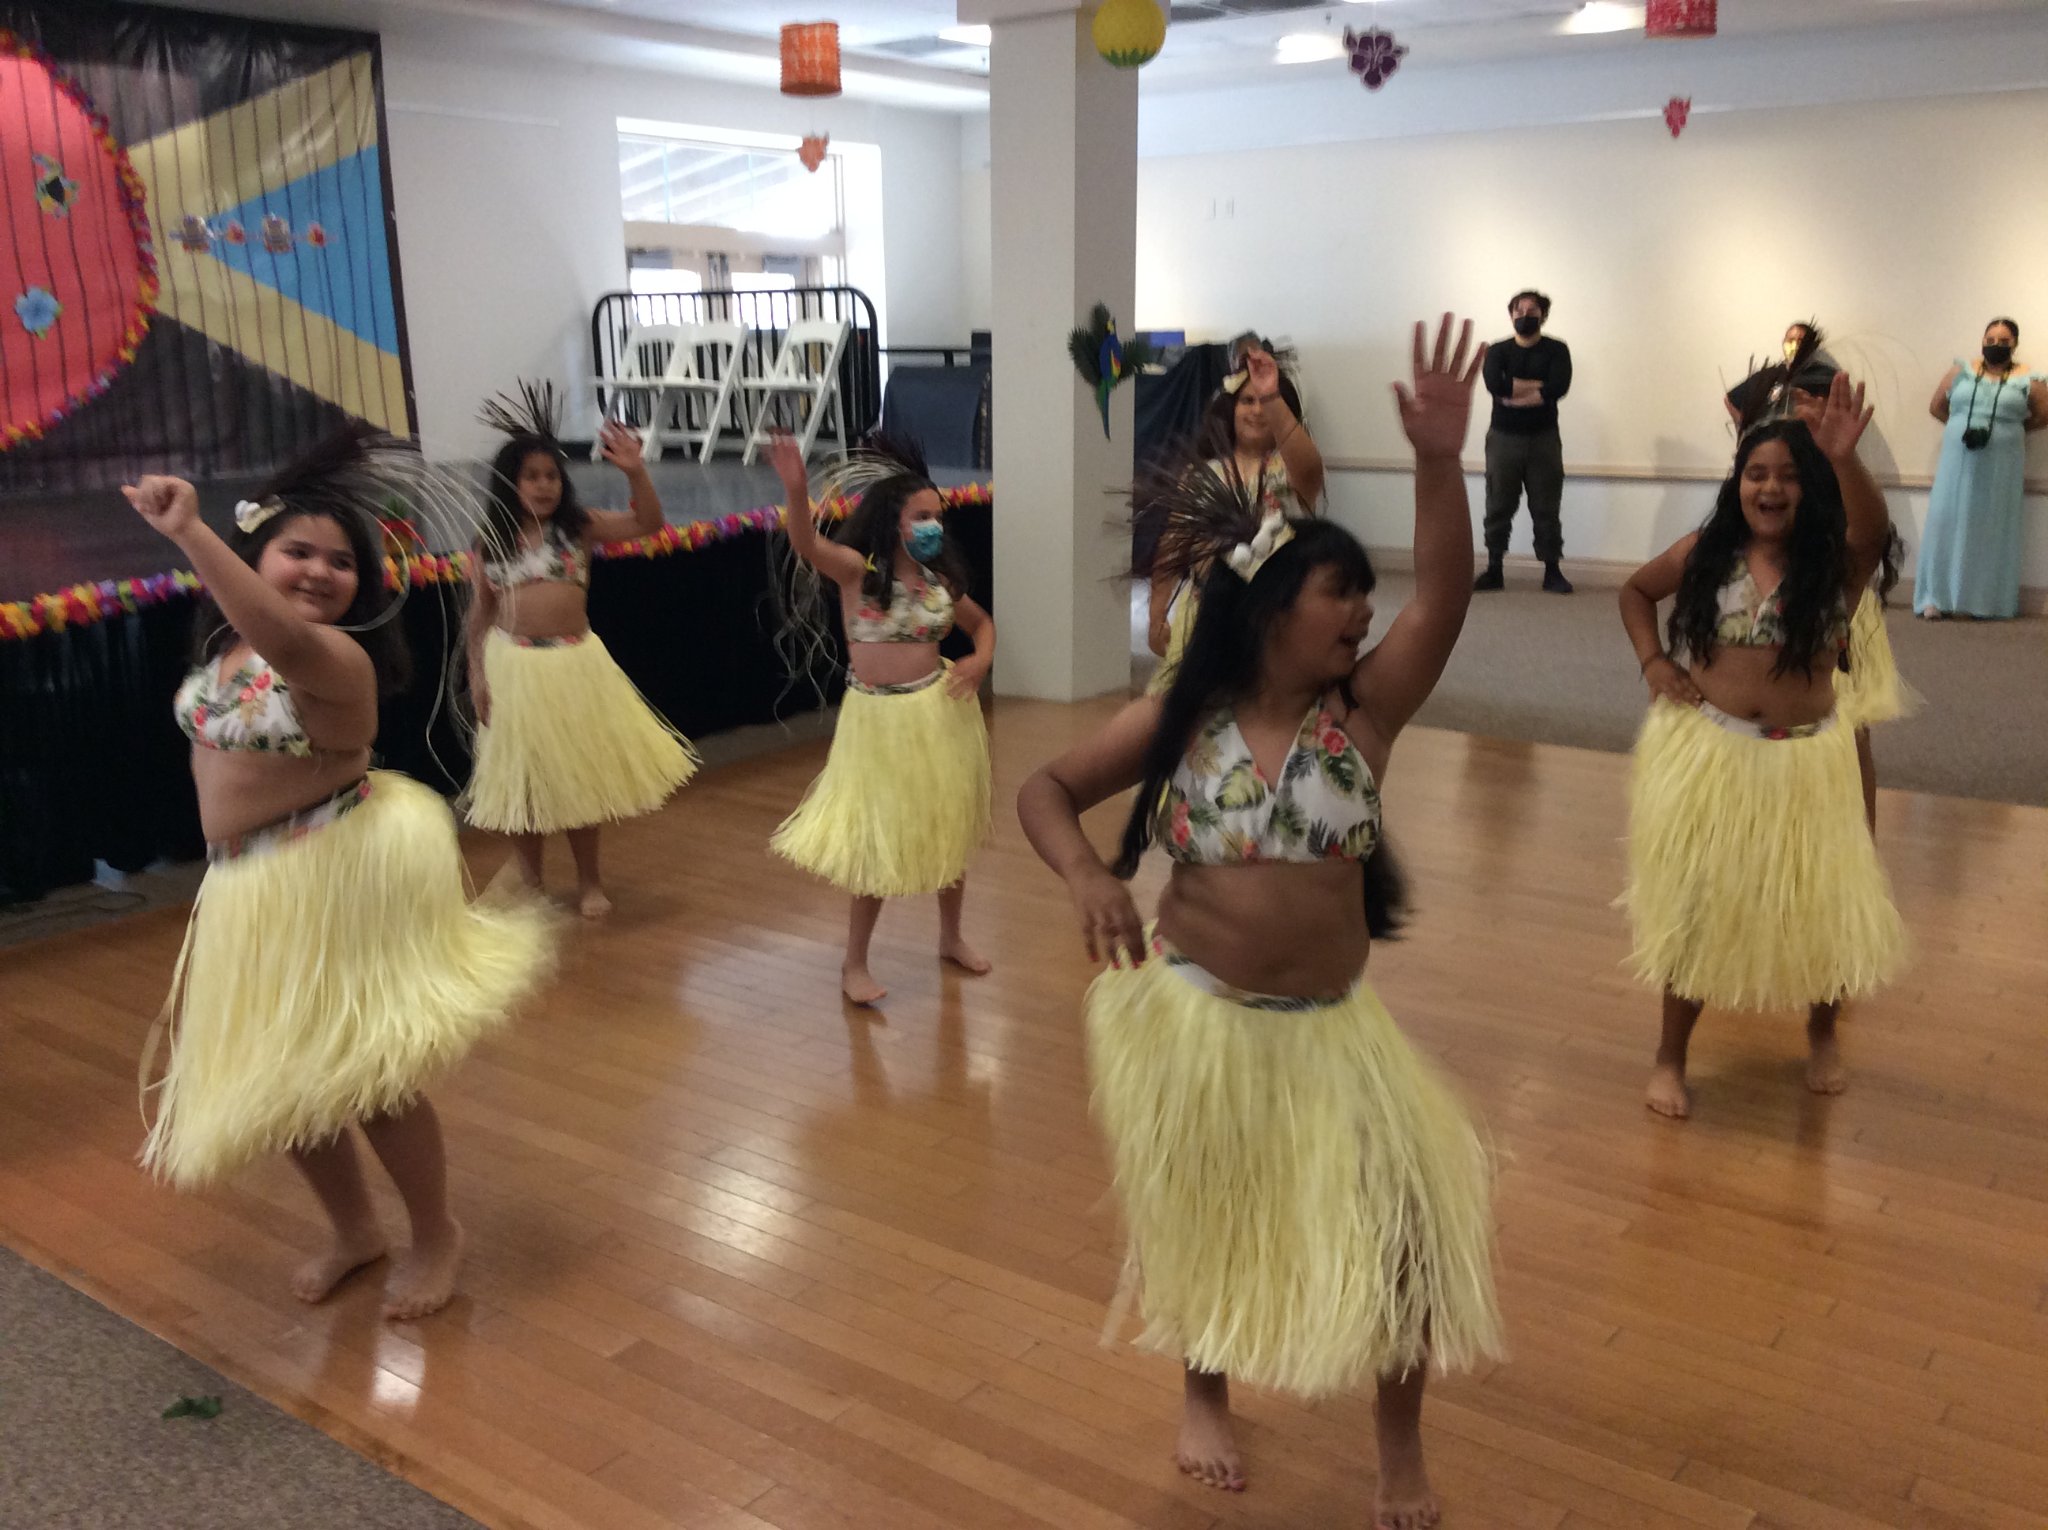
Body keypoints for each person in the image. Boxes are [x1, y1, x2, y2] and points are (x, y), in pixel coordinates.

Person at [1018, 316, 1500, 1528]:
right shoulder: (1180, 720)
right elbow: (1042, 790)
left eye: (1361, 599)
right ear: (1272, 607)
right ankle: (1203, 1394)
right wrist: (1085, 877)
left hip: (1333, 1027)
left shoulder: (1365, 719)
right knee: (1205, 1214)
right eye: (1341, 596)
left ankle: (1398, 1452)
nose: (1361, 617)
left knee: (1403, 1232)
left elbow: (1445, 592)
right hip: (1202, 1018)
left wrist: (1440, 460)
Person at [127, 429, 553, 1320]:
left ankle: (436, 1232)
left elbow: (276, 627)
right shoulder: (226, 655)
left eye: (342, 563)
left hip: (328, 876)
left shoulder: (332, 659)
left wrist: (190, 534)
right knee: (287, 1083)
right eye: (297, 553)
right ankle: (355, 1230)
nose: (320, 572)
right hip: (248, 886)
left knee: (372, 1080)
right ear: (262, 555)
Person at [1619, 373, 1905, 1121]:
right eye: (1755, 474)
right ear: (1735, 483)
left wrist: (1845, 460)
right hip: (1715, 754)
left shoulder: (1832, 567)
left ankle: (1822, 1034)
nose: (1770, 488)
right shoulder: (1707, 552)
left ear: (1809, 488)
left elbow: (1870, 533)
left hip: (1807, 760)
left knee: (1823, 905)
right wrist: (1654, 662)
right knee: (1697, 904)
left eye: (1786, 476)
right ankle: (1669, 1055)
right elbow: (1634, 592)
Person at [769, 431, 997, 1005]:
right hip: (877, 722)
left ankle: (950, 936)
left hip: (939, 710)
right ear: (892, 519)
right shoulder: (856, 571)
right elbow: (805, 544)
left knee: (948, 827)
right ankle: (853, 963)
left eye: (937, 517)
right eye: (922, 516)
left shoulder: (940, 581)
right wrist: (797, 490)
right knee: (877, 840)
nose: (933, 527)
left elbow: (983, 626)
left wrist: (979, 660)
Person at [464, 384, 697, 918]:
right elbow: (480, 615)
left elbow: (649, 524)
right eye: (531, 477)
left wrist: (635, 471)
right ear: (510, 483)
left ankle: (590, 880)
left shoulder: (579, 527)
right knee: (525, 781)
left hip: (573, 663)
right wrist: (477, 675)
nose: (544, 486)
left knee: (577, 776)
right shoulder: (489, 542)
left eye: (551, 476)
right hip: (514, 666)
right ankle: (530, 879)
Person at [1726, 329, 1912, 828]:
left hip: (1828, 582)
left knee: (1850, 725)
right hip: (1766, 580)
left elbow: (1866, 532)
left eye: (1798, 337)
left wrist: (1837, 453)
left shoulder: (1826, 398)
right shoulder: (1764, 389)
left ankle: (1858, 848)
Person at [1146, 343, 1324, 694]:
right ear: (1230, 409)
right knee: (1179, 718)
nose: (1257, 410)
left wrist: (1270, 392)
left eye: (1266, 402)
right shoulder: (1202, 475)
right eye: (1247, 401)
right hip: (1202, 614)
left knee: (1259, 717)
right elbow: (1173, 542)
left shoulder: (1289, 471)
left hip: (1273, 618)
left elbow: (1310, 466)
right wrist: (1156, 611)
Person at [1913, 317, 2046, 620]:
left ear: (2015, 344)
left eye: (2003, 341)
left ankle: (1986, 602)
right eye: (1990, 340)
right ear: (1982, 341)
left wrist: (2008, 430)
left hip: (2003, 462)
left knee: (1991, 527)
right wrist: (1962, 427)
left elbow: (2043, 414)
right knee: (1945, 522)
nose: (1995, 346)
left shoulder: (2029, 378)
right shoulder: (1961, 371)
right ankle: (1935, 598)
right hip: (1957, 459)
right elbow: (1936, 406)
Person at [1476, 289, 1573, 593]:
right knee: (1498, 503)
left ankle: (1552, 571)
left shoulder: (1557, 350)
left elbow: (1558, 386)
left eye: (1532, 311)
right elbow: (1495, 384)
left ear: (1543, 315)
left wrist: (1514, 392)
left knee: (1546, 506)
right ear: (1511, 315)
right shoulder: (1497, 350)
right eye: (1518, 310)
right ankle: (1494, 569)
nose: (1524, 316)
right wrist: (1536, 389)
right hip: (1503, 439)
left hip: (1544, 438)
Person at [1723, 320, 1837, 427]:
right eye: (1790, 340)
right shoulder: (1767, 376)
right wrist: (1748, 433)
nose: (1794, 346)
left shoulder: (1824, 375)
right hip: (1772, 443)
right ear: (1783, 343)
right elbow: (1731, 400)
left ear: (1811, 345)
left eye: (1800, 341)